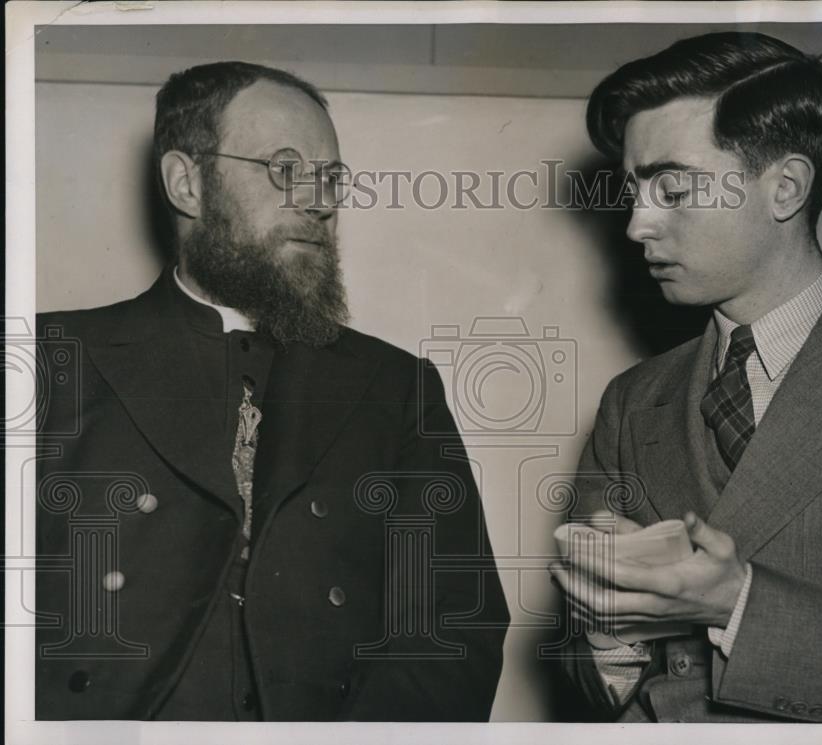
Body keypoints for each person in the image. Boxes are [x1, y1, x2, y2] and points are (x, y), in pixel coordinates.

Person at [34, 61, 509, 721]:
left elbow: (455, 627)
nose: (320, 200)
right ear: (187, 183)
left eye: (331, 178)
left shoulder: (396, 387)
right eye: (286, 169)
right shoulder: (48, 360)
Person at [549, 32, 822, 723]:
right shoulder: (631, 401)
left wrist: (737, 604)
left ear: (786, 187)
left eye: (671, 187)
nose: (637, 224)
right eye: (633, 190)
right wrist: (607, 639)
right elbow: (583, 668)